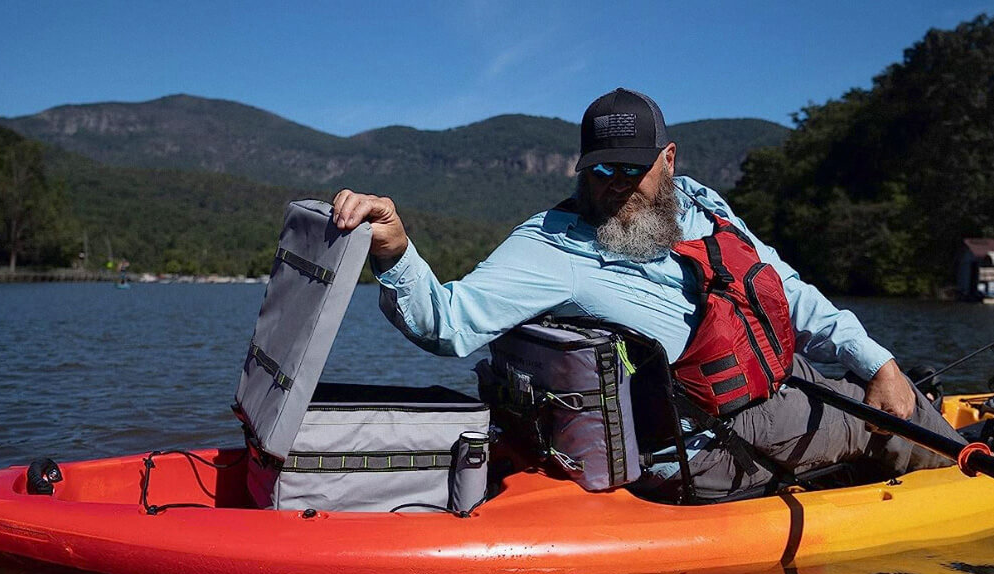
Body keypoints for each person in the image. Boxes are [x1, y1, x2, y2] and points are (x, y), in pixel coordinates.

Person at [332, 88, 961, 501]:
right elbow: (448, 323)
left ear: (669, 159)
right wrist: (393, 249)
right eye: (601, 170)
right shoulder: (552, 247)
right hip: (710, 436)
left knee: (882, 386)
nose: (616, 186)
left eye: (633, 168)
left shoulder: (704, 209)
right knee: (889, 420)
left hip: (778, 374)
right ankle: (966, 472)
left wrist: (878, 361)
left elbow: (790, 293)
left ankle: (925, 436)